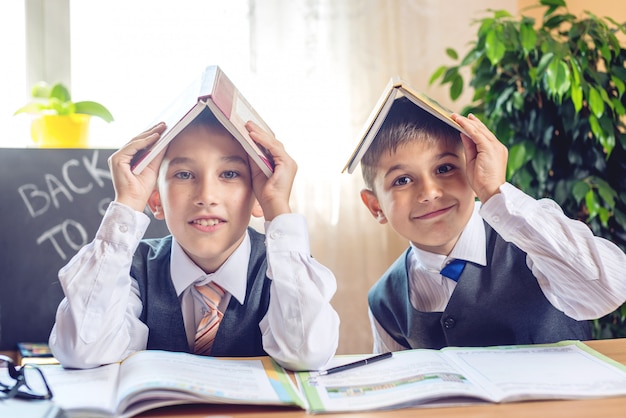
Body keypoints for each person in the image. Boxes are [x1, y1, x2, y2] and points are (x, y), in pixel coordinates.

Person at [49, 110, 340, 371]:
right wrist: (127, 203)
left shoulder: (283, 269)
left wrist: (277, 205)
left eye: (229, 173)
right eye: (185, 174)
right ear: (155, 199)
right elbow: (82, 350)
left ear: (258, 195)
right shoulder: (131, 267)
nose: (207, 196)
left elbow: (308, 354)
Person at [358, 97, 626, 353]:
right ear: (375, 206)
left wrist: (496, 192)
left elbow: (611, 290)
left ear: (473, 167)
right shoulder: (385, 301)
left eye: (444, 168)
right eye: (402, 180)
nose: (430, 192)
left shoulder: (530, 237)